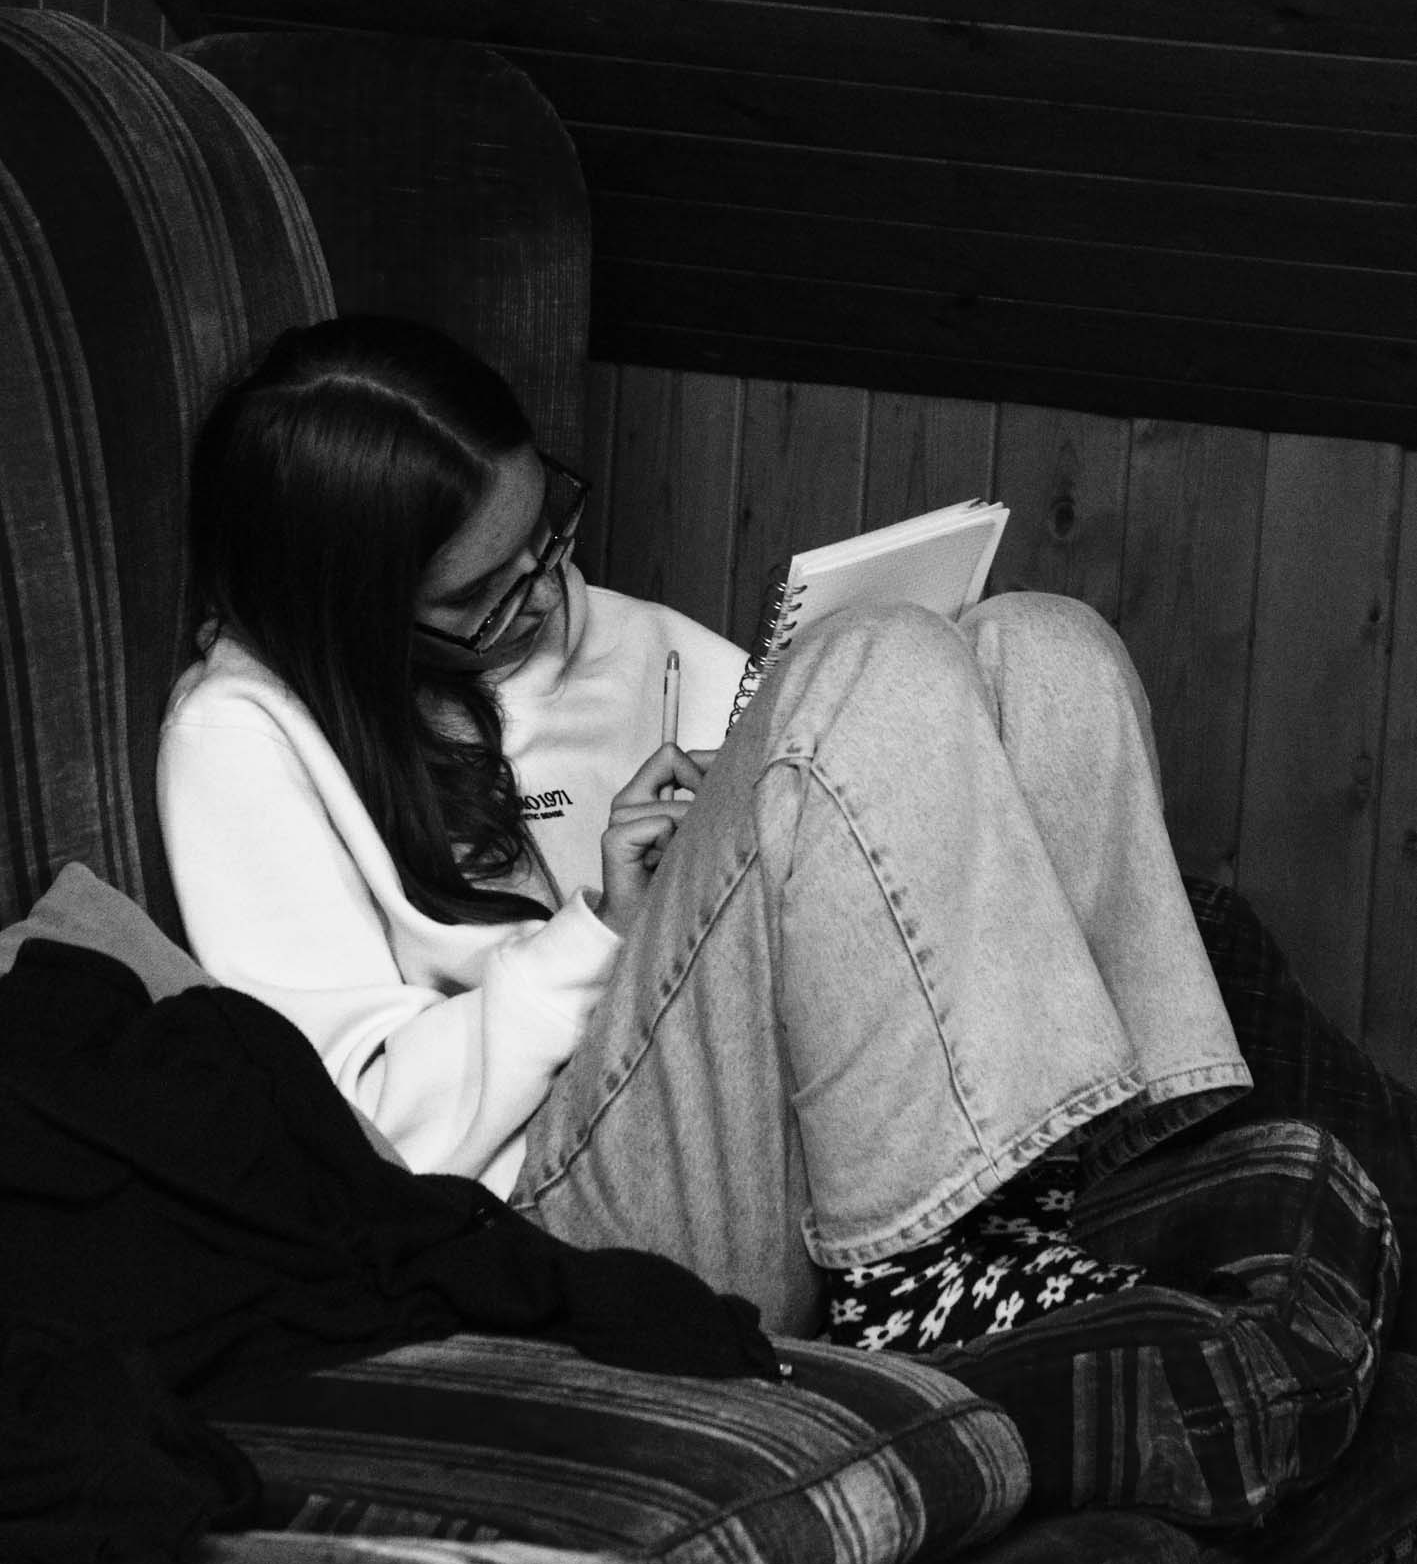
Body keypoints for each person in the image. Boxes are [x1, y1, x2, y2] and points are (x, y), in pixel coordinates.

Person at [160, 313, 1257, 1349]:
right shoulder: (240, 733)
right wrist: (600, 933)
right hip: (539, 1216)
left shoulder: (628, 638)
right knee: (871, 661)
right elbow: (362, 1136)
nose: (543, 597)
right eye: (478, 597)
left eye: (545, 535)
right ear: (352, 607)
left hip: (770, 1137)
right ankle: (923, 1280)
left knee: (1040, 644)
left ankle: (1109, 1175)